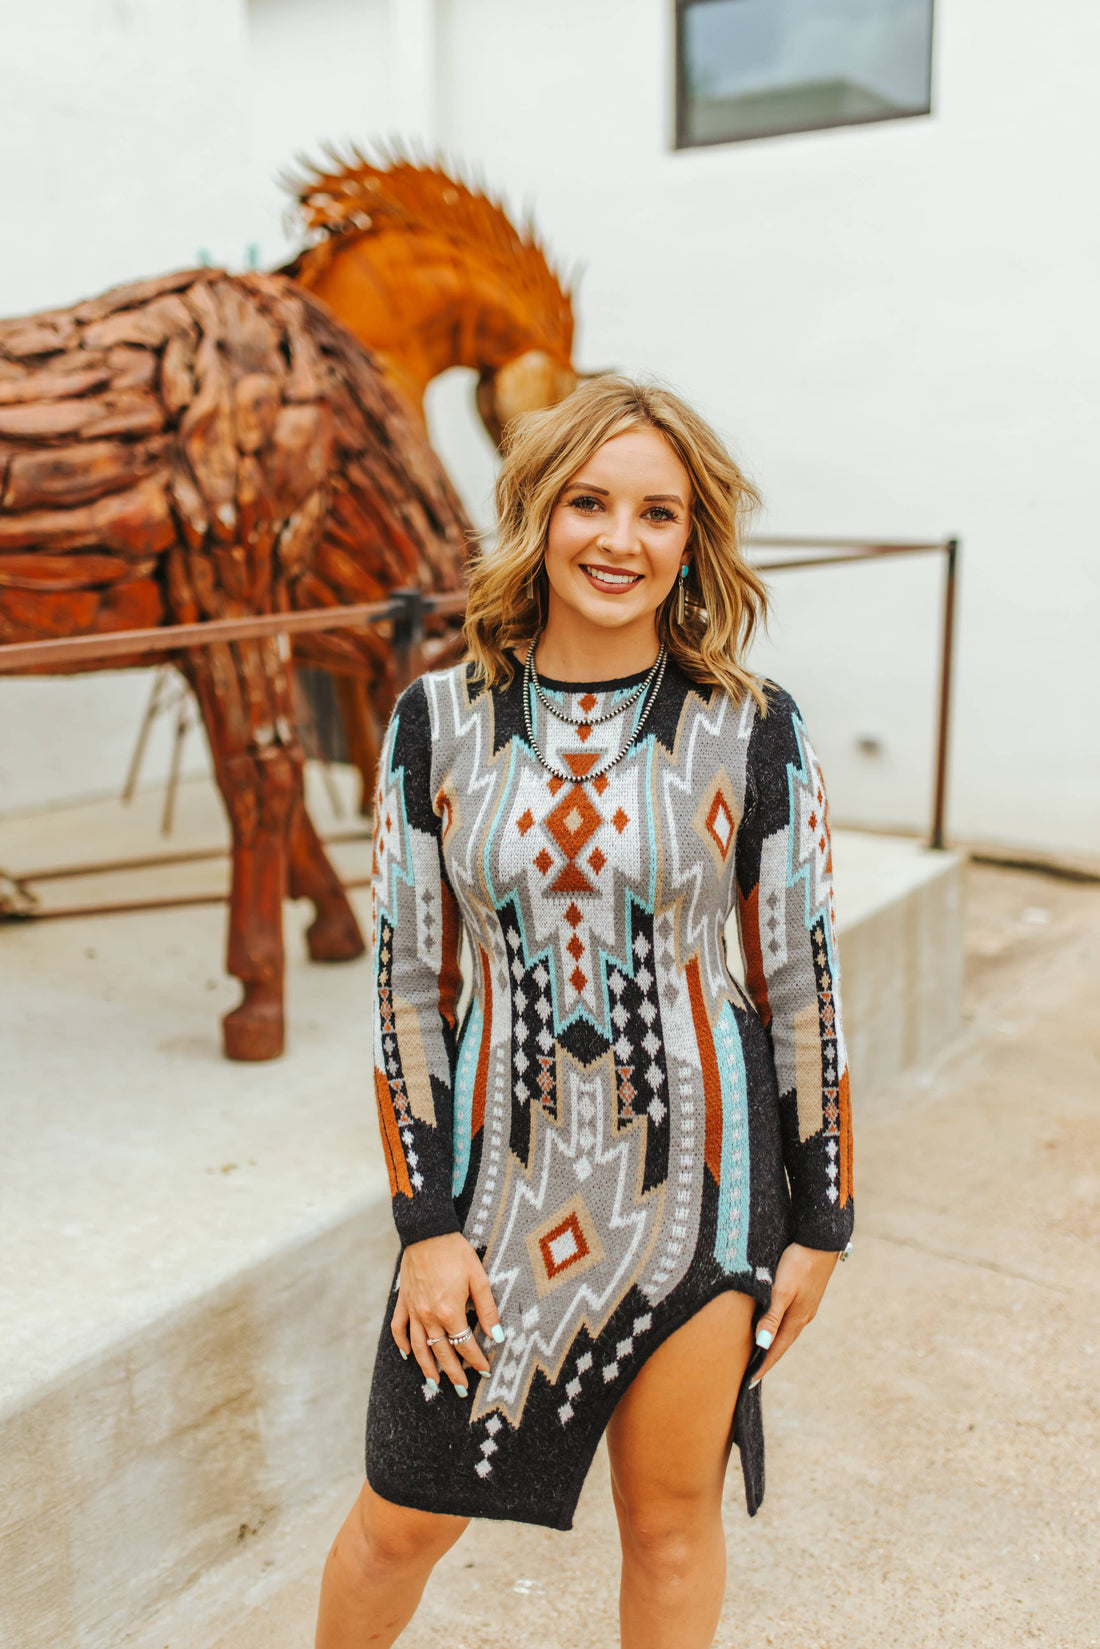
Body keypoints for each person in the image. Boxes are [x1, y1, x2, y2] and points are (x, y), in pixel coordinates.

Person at [315, 377, 854, 1649]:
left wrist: (822, 1215)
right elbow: (403, 985)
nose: (620, 538)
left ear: (690, 540)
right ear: (536, 517)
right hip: (493, 1193)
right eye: (589, 502)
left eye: (656, 512)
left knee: (668, 1530)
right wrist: (425, 1225)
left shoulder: (751, 729)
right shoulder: (432, 724)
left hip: (703, 1197)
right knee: (398, 1515)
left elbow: (797, 979)